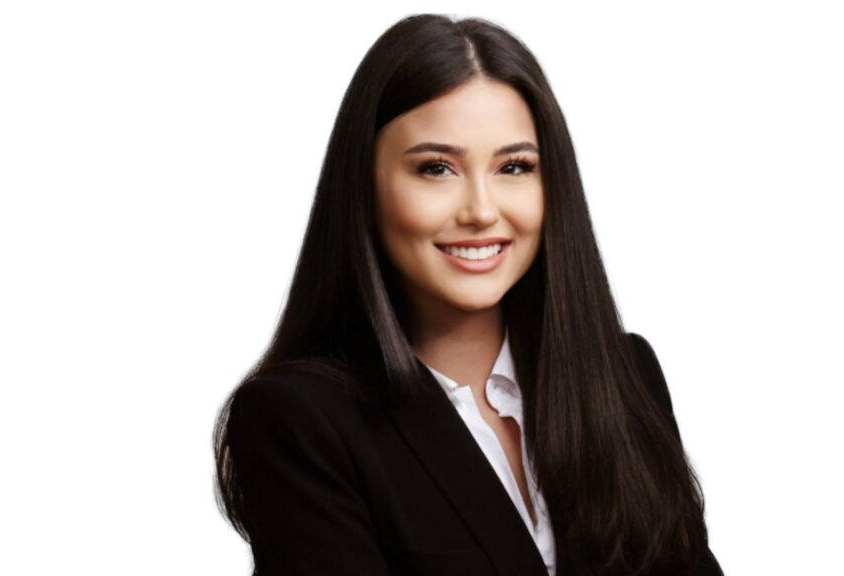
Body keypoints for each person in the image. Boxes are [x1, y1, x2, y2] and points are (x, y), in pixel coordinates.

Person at [214, 14, 723, 576]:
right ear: (364, 187)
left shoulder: (624, 376)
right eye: (437, 168)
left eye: (514, 167)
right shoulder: (300, 422)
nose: (481, 210)